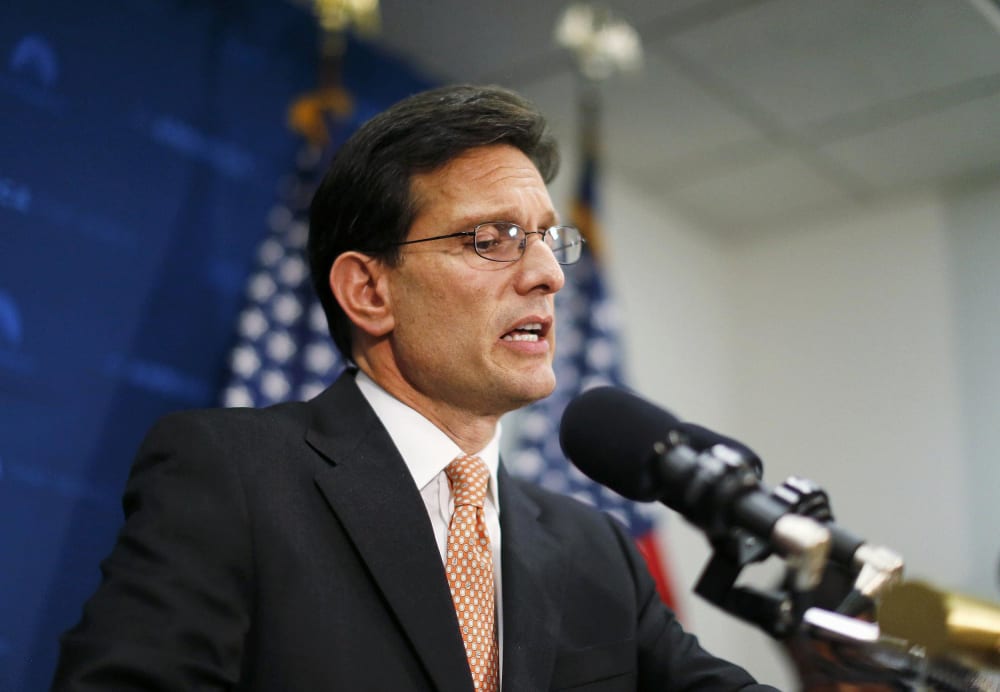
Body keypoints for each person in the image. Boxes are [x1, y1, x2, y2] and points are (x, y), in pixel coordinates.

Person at [52, 84, 778, 691]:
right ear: (369, 291)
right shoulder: (233, 472)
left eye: (548, 239)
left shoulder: (598, 549)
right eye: (489, 239)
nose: (548, 276)